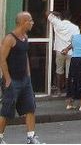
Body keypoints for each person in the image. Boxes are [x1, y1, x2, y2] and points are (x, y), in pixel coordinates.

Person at [0, 12, 41, 144]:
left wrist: (28, 75)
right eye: (31, 20)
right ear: (23, 22)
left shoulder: (25, 37)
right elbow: (2, 60)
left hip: (25, 80)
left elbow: (25, 57)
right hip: (13, 80)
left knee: (30, 107)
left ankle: (31, 137)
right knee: (6, 111)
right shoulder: (9, 39)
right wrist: (7, 79)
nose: (33, 23)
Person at [47, 10, 80, 97]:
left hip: (59, 50)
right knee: (69, 73)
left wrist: (57, 13)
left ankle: (58, 90)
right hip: (70, 51)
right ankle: (68, 90)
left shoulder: (58, 23)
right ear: (71, 17)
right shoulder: (75, 27)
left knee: (59, 70)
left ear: (61, 17)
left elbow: (47, 12)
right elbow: (76, 40)